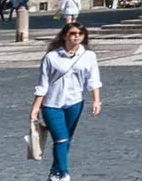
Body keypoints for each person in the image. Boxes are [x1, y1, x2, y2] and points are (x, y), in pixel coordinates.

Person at [31, 22, 101, 181]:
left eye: (80, 34)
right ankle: (64, 173)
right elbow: (43, 84)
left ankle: (54, 172)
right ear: (64, 36)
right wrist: (35, 108)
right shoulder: (51, 57)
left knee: (66, 139)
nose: (77, 36)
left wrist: (96, 100)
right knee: (61, 138)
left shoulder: (89, 56)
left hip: (75, 103)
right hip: (51, 104)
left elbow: (93, 80)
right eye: (73, 33)